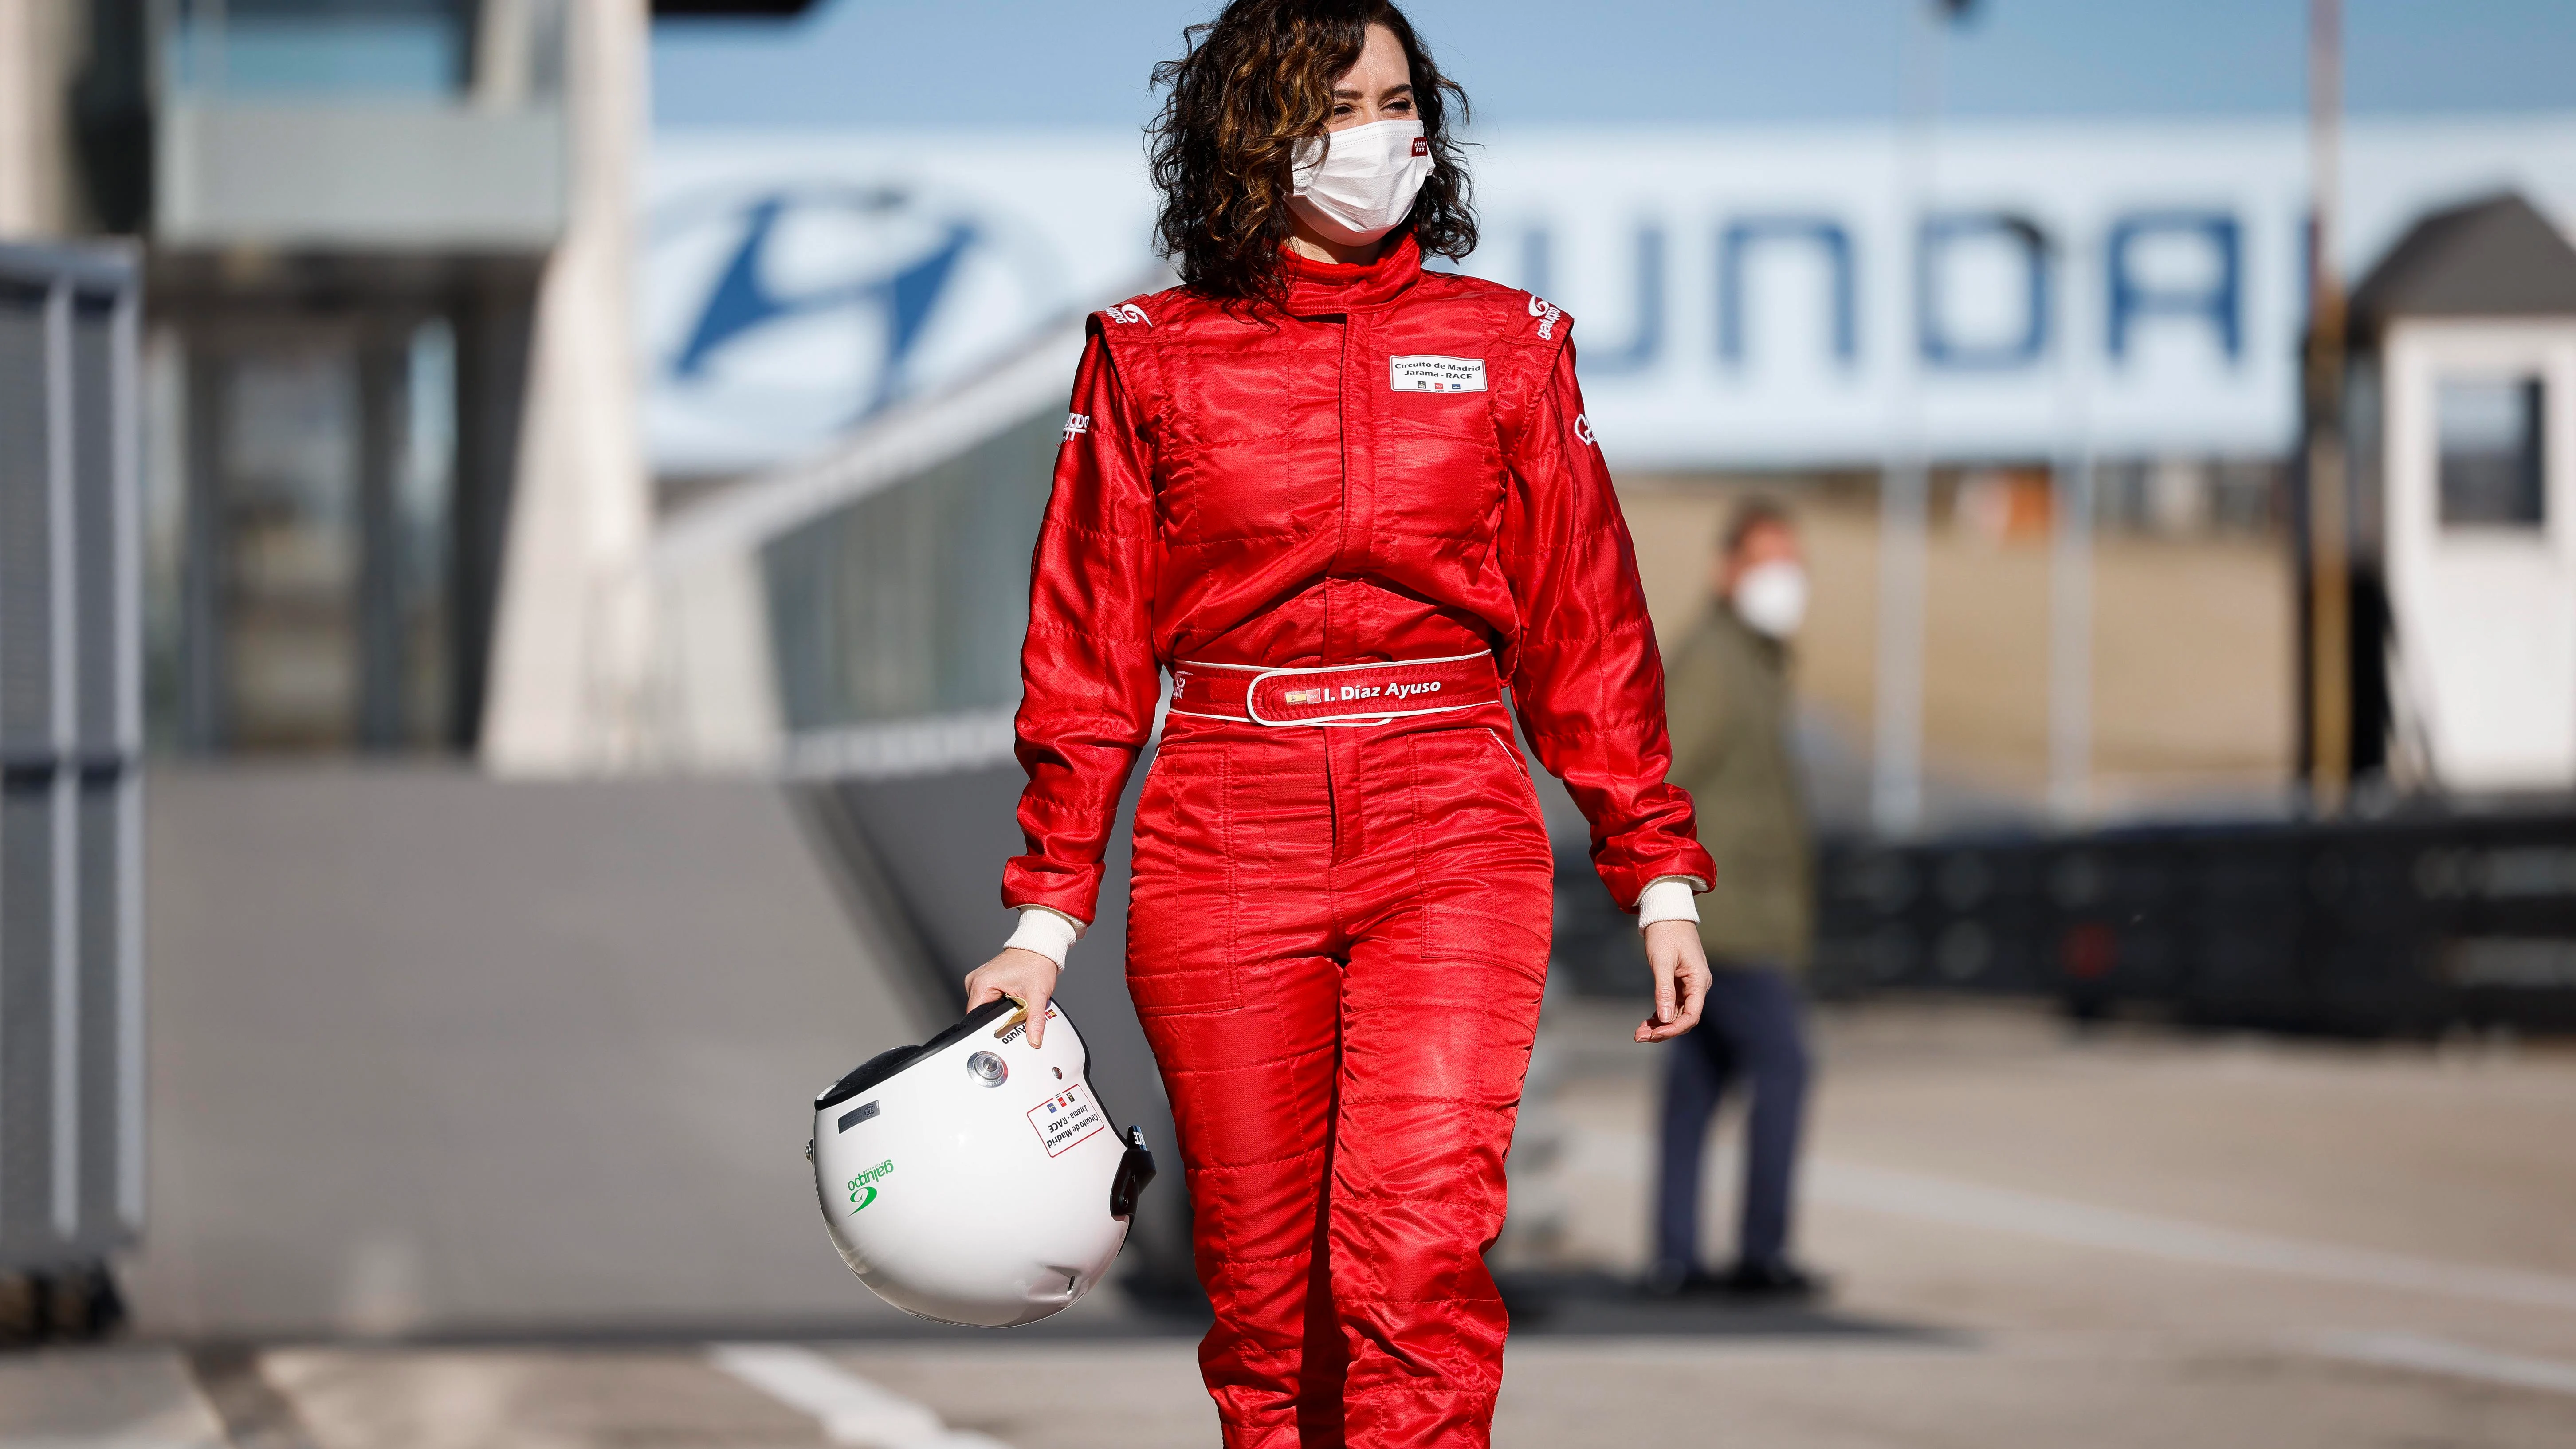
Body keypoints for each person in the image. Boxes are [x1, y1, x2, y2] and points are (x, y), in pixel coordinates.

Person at [958, 3, 1715, 1442]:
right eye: (1337, 107)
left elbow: (1585, 622)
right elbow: (1088, 642)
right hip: (1222, 827)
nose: (1377, 137)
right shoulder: (1145, 353)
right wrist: (1044, 915)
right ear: (1250, 133)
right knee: (1263, 1300)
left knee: (1413, 1256)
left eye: (1393, 102)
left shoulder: (1510, 346)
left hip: (1450, 819)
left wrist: (1655, 865)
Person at [1648, 498, 1825, 1300]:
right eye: (1767, 562)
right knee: (1783, 1065)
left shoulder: (1756, 659)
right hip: (1724, 921)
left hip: (1741, 916)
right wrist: (1673, 898)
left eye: (1793, 563)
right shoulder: (1716, 663)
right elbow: (1663, 774)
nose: (1785, 581)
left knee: (1699, 1082)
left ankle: (1675, 1257)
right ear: (1729, 571)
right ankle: (1759, 1251)